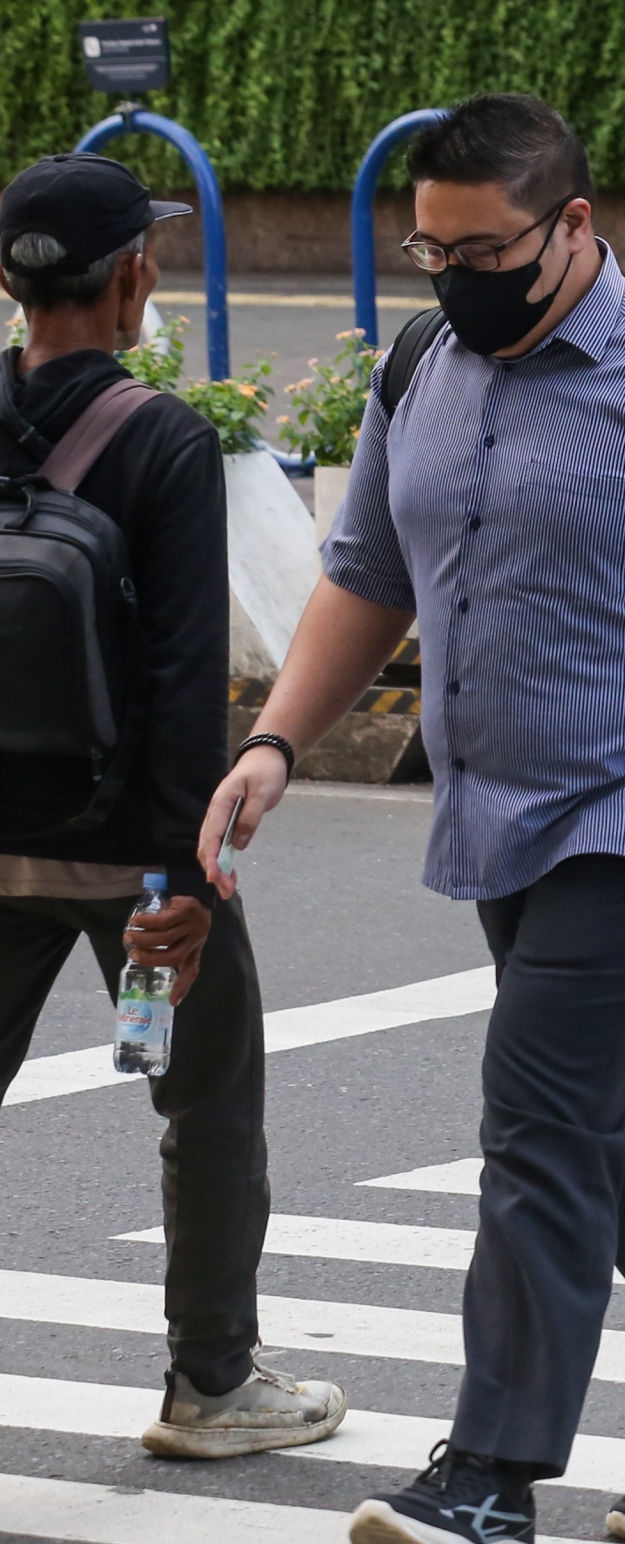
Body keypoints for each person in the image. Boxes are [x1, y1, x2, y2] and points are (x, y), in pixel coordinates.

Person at [200, 95, 625, 1544]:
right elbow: (365, 572)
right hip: (505, 816)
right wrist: (275, 742)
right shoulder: (427, 363)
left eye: (482, 247)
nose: (452, 276)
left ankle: (489, 1476)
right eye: (429, 250)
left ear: (573, 226)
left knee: (545, 1121)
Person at [0, 156, 346, 1460]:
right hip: (130, 850)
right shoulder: (163, 438)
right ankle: (211, 1386)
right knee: (207, 1107)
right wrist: (186, 889)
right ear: (136, 280)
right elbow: (185, 679)